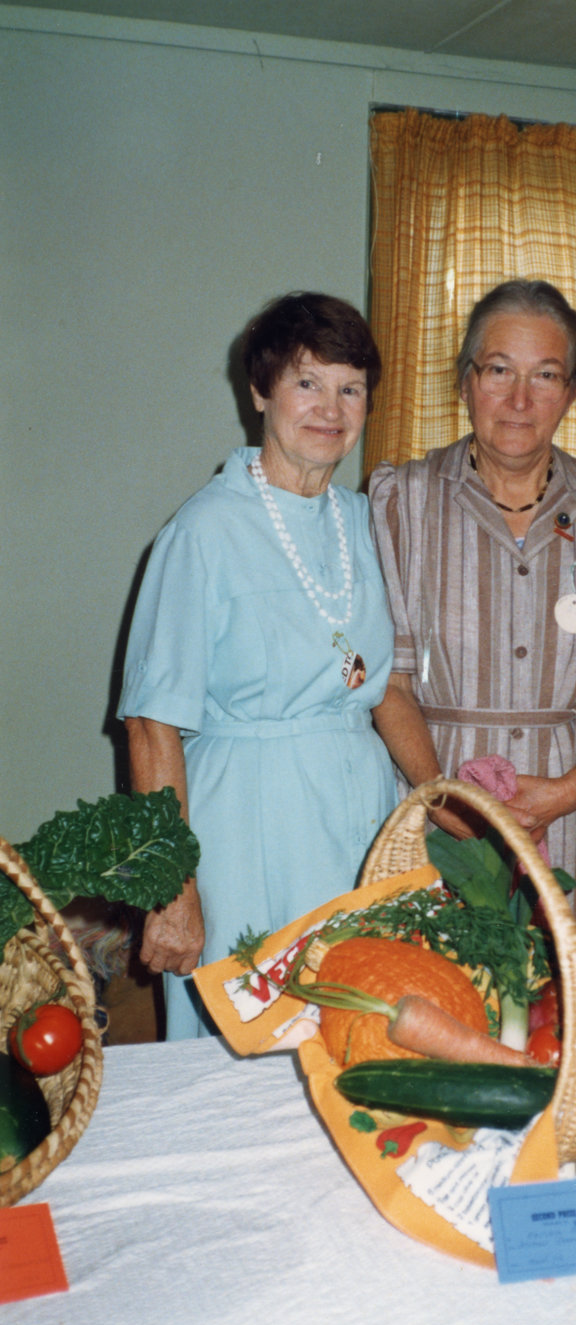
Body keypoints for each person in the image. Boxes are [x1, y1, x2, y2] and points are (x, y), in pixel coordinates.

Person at [369, 279, 576, 988]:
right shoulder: (401, 500)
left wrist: (573, 786)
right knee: (440, 1017)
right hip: (439, 812)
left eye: (545, 375)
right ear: (467, 381)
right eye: (499, 370)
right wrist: (442, 798)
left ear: (572, 390)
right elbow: (389, 679)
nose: (519, 398)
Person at [119, 293, 397, 1037]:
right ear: (260, 390)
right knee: (253, 1046)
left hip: (357, 819)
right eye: (308, 382)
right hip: (247, 825)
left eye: (351, 388)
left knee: (359, 1033)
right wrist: (171, 890)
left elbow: (379, 681)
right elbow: (152, 724)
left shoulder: (366, 522)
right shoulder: (203, 531)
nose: (330, 408)